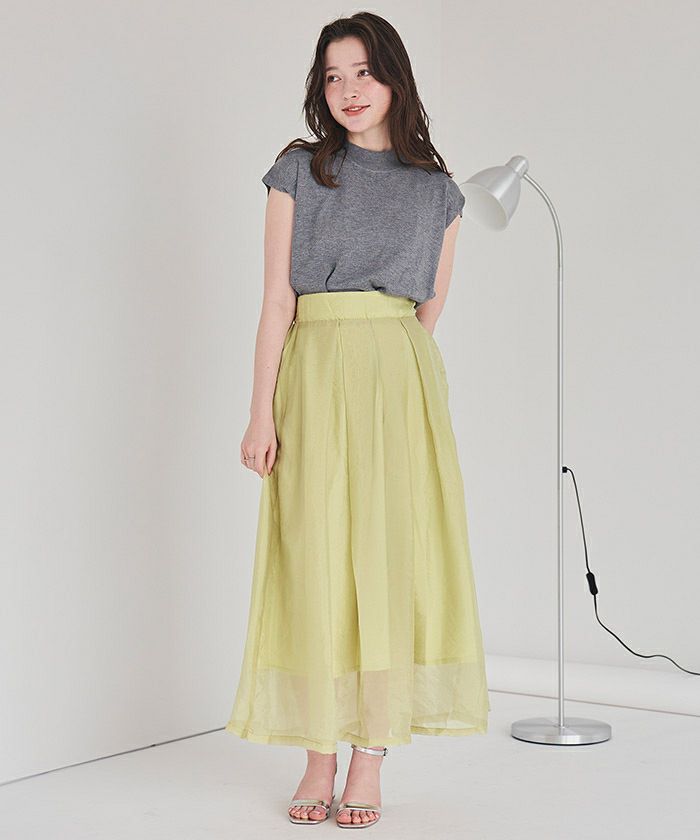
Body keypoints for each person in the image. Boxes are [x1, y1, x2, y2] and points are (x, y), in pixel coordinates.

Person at [225, 11, 490, 830]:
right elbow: (277, 300)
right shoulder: (298, 172)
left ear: (395, 79)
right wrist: (261, 411)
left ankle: (369, 756)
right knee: (314, 557)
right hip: (312, 366)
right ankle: (318, 752)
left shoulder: (439, 191)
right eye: (333, 76)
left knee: (386, 555)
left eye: (363, 72)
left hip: (398, 377)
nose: (348, 90)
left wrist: (393, 373)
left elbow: (429, 305)